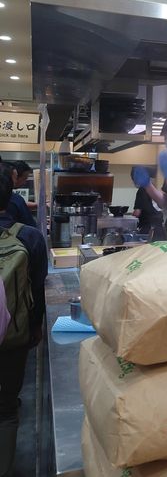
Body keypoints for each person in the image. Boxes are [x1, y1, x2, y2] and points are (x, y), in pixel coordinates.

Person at [0, 168, 47, 475]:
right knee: (6, 409)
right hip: (14, 337)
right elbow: (38, 290)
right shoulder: (29, 237)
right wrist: (34, 329)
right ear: (11, 195)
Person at [130, 166, 165, 240]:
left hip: (149, 228)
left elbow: (137, 212)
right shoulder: (152, 188)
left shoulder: (142, 190)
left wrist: (127, 219)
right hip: (159, 227)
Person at [0, 163, 35, 228]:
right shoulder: (15, 199)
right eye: (15, 178)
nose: (15, 181)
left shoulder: (15, 199)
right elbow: (30, 225)